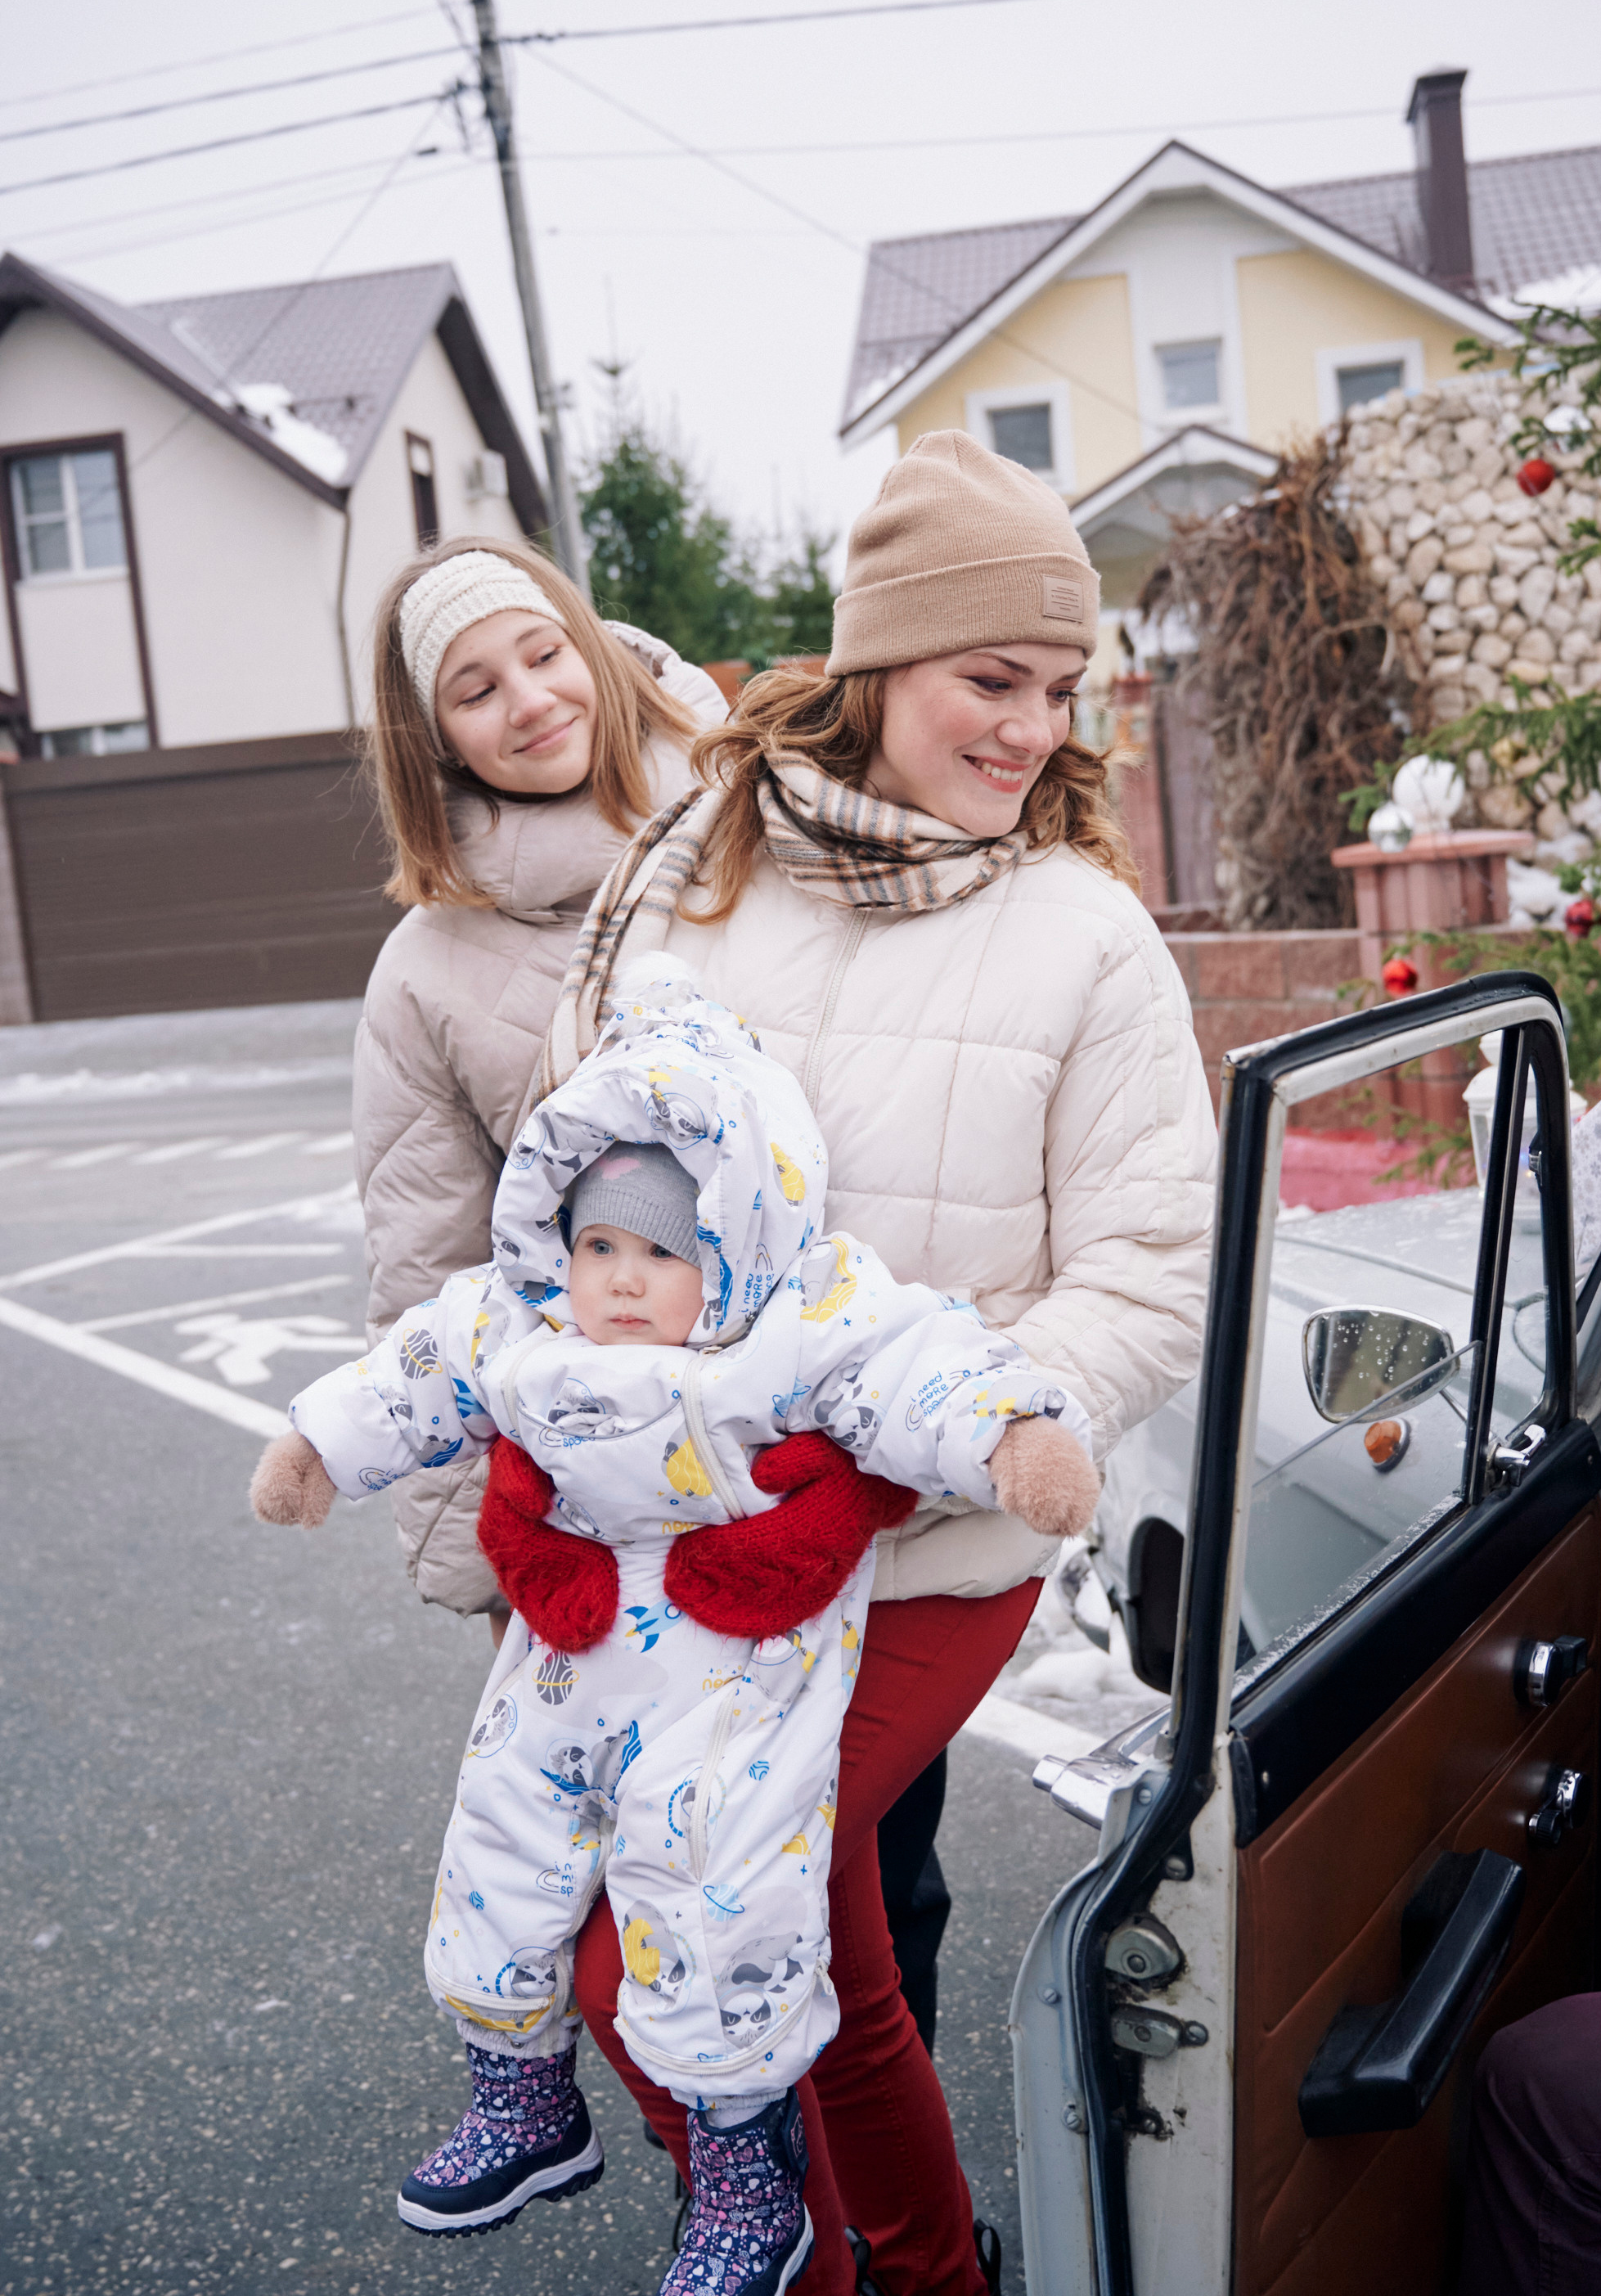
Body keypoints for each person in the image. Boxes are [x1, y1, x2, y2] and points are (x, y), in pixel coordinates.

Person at [533, 430, 1219, 2295]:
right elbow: (580, 1174)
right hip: (694, 1535)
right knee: (780, 1944)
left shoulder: (1085, 931)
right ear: (875, 665)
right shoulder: (700, 876)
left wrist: (927, 1433)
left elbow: (1153, 1276)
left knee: (676, 1939)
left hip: (927, 1544)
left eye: (1060, 690)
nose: (1029, 729)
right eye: (990, 679)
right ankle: (913, 2270)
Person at [249, 964, 1100, 2292]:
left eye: (663, 1251)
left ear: (737, 1246)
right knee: (499, 1836)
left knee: (710, 1887)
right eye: (599, 1247)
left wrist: (1015, 1440)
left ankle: (750, 2179)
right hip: (569, 1643)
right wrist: (315, 1446)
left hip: (736, 1659)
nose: (623, 1281)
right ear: (557, 1239)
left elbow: (921, 1368)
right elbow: (413, 1371)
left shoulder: (797, 1321)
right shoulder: (518, 1318)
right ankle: (522, 2095)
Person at [353, 536, 726, 1638]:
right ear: (437, 741)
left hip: (811, 1440)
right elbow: (428, 1267)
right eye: (475, 690)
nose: (528, 701)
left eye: (542, 652)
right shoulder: (426, 971)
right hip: (599, 1493)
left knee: (877, 1810)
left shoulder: (755, 829)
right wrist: (472, 1547)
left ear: (594, 650)